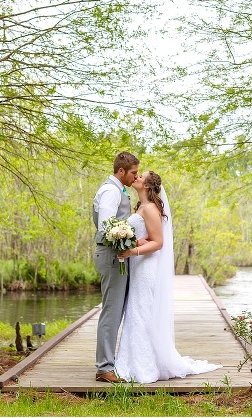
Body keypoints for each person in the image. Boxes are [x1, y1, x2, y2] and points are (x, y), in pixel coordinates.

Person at [114, 170, 222, 383]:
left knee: (142, 312)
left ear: (147, 185)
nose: (136, 177)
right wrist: (134, 242)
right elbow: (145, 238)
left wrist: (132, 251)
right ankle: (131, 360)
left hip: (146, 267)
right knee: (136, 311)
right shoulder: (141, 207)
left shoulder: (151, 209)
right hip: (137, 267)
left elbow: (158, 243)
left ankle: (145, 365)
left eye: (140, 176)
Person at [92, 151, 140, 383]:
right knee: (111, 312)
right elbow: (106, 227)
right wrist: (126, 240)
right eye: (133, 173)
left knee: (115, 310)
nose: (135, 177)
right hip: (112, 256)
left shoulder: (116, 190)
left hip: (115, 255)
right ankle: (104, 368)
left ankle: (108, 363)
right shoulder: (111, 191)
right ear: (121, 171)